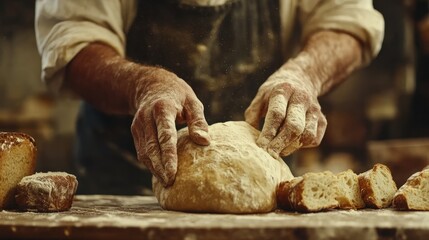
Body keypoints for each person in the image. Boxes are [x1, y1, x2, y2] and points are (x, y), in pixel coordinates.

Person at [35, 0, 384, 195]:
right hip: (119, 177)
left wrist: (305, 73)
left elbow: (346, 19)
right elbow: (72, 37)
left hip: (262, 180)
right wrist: (142, 84)